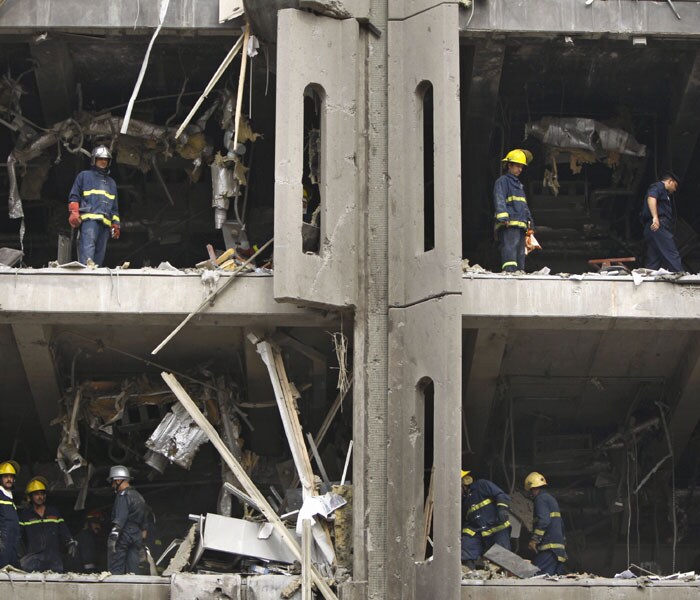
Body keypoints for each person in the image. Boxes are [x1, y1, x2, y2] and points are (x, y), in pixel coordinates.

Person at [68, 144, 120, 266]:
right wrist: (74, 212)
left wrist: (116, 224)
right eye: (100, 159)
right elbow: (74, 196)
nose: (103, 161)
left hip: (105, 225)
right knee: (87, 255)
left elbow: (115, 208)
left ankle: (95, 279)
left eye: (105, 159)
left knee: (99, 258)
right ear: (94, 160)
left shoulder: (111, 183)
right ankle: (86, 277)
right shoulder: (84, 176)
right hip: (89, 222)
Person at [18, 476, 77, 572]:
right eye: (36, 494)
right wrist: (20, 553)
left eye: (42, 494)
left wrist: (70, 542)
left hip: (53, 557)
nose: (40, 497)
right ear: (30, 497)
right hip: (33, 558)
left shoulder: (54, 512)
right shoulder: (25, 516)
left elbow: (63, 530)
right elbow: (18, 536)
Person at [493, 149, 534, 272]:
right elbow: (499, 199)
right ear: (509, 165)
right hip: (509, 223)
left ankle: (519, 272)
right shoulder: (502, 181)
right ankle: (509, 271)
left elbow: (523, 205)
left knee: (520, 251)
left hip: (520, 224)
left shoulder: (519, 185)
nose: (520, 169)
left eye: (521, 167)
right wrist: (503, 218)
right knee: (510, 247)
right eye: (517, 166)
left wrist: (530, 222)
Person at [461, 470, 511, 570]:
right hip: (481, 533)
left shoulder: (482, 485)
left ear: (465, 482)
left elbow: (501, 495)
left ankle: (503, 579)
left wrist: (502, 509)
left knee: (502, 558)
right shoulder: (464, 501)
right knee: (467, 544)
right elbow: (467, 521)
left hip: (498, 529)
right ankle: (469, 572)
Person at [107, 465, 148, 574]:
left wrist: (114, 534)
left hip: (124, 532)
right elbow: (145, 522)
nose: (112, 485)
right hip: (137, 534)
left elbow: (121, 517)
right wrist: (141, 537)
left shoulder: (123, 496)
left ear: (119, 480)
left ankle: (115, 589)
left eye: (113, 482)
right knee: (133, 567)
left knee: (116, 565)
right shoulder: (138, 496)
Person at [524, 471, 567, 575]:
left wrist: (535, 539)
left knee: (534, 576)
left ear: (532, 489)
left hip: (549, 548)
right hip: (558, 551)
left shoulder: (540, 499)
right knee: (551, 580)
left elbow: (544, 520)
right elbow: (560, 523)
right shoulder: (551, 499)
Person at [640, 172, 683, 272]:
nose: (675, 189)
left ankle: (648, 279)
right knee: (671, 252)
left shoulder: (664, 192)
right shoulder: (658, 186)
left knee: (654, 257)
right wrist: (655, 217)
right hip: (658, 226)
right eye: (675, 186)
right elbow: (651, 197)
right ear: (670, 181)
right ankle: (681, 276)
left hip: (652, 228)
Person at [0, 460, 20, 568]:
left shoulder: (10, 496)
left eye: (11, 477)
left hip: (12, 539)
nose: (9, 479)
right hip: (3, 539)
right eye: (5, 476)